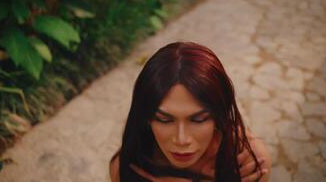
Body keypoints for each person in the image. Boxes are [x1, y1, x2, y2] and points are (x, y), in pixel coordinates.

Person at [110, 42, 271, 181]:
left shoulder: (248, 164)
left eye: (198, 120)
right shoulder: (127, 169)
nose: (181, 139)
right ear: (146, 116)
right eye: (164, 120)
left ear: (218, 114)